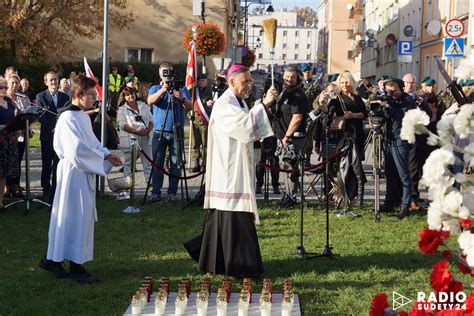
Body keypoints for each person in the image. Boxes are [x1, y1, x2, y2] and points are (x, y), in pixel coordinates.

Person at [38, 75, 122, 283]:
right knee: (72, 217)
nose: (95, 98)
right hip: (72, 174)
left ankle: (55, 260)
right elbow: (76, 151)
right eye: (92, 95)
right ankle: (72, 265)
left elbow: (92, 143)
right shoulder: (67, 118)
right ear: (78, 95)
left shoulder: (82, 117)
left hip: (82, 173)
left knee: (79, 218)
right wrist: (100, 161)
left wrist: (105, 154)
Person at [197, 64, 277, 277]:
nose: (249, 85)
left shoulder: (237, 100)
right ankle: (240, 264)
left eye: (250, 81)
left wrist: (262, 108)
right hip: (229, 169)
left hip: (235, 165)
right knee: (233, 212)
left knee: (231, 214)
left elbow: (246, 125)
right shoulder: (224, 104)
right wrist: (265, 105)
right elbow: (243, 127)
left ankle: (217, 261)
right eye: (245, 81)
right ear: (231, 82)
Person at [147, 63, 193, 204]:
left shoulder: (181, 88)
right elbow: (149, 101)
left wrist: (181, 98)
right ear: (160, 75)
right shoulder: (155, 88)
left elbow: (190, 106)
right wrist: (163, 90)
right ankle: (156, 192)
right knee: (158, 163)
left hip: (176, 130)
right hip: (159, 131)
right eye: (165, 73)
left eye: (170, 73)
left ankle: (172, 193)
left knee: (176, 163)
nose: (168, 76)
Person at [327, 70, 367, 208]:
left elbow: (364, 114)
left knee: (356, 167)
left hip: (358, 135)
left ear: (351, 83)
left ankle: (353, 196)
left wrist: (352, 115)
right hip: (343, 136)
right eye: (342, 83)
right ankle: (341, 196)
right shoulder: (336, 99)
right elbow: (329, 112)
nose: (344, 85)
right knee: (344, 166)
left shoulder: (357, 98)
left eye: (346, 82)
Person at [380, 78, 416, 219]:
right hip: (387, 138)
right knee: (389, 172)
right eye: (388, 91)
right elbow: (384, 117)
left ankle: (405, 206)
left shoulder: (407, 100)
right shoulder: (388, 100)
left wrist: (388, 105)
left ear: (401, 89)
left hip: (401, 139)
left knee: (403, 174)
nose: (391, 94)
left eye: (394, 90)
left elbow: (400, 116)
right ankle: (389, 202)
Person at [272, 66, 308, 207]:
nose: (289, 79)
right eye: (287, 76)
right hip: (282, 136)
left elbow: (297, 117)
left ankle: (292, 198)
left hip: (293, 137)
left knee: (290, 166)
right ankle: (288, 195)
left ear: (297, 78)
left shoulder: (298, 94)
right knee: (285, 167)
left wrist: (287, 136)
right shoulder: (285, 92)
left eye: (292, 77)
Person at [36, 71, 69, 203]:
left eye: (55, 79)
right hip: (47, 135)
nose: (54, 82)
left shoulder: (64, 96)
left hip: (61, 137)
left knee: (58, 163)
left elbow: (67, 113)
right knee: (46, 163)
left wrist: (60, 128)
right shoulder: (40, 96)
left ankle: (56, 188)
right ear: (46, 82)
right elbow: (40, 115)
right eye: (51, 80)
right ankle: (45, 188)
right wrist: (52, 127)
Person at [117, 86, 153, 183]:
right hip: (131, 138)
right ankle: (127, 187)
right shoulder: (122, 109)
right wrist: (137, 132)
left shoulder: (143, 105)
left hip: (145, 137)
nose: (130, 96)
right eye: (127, 95)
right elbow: (122, 125)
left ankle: (150, 187)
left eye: (131, 94)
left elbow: (151, 120)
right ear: (124, 97)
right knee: (129, 164)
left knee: (148, 163)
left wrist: (147, 130)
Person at [5, 74, 29, 198]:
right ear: (8, 84)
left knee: (18, 160)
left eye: (16, 83)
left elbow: (28, 113)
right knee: (7, 161)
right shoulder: (4, 97)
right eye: (12, 83)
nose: (15, 85)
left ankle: (16, 185)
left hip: (21, 133)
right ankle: (6, 187)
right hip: (7, 134)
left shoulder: (23, 98)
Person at [0, 77, 18, 213]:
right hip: (1, 139)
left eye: (6, 87)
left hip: (10, 140)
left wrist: (12, 101)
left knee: (4, 174)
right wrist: (6, 126)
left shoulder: (9, 102)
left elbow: (19, 114)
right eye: (1, 87)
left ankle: (0, 203)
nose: (5, 90)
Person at [189, 74, 213, 172]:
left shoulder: (210, 92)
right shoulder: (193, 92)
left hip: (205, 121)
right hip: (194, 121)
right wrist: (189, 115)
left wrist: (210, 105)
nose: (201, 82)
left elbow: (214, 105)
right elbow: (188, 104)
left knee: (205, 143)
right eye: (200, 80)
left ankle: (204, 162)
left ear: (206, 81)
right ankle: (195, 162)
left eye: (203, 80)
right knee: (195, 143)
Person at [302, 63, 322, 166]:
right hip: (300, 114)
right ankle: (299, 156)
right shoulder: (299, 85)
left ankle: (307, 158)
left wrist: (316, 111)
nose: (307, 74)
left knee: (308, 137)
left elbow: (320, 99)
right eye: (305, 72)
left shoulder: (316, 86)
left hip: (311, 115)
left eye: (308, 72)